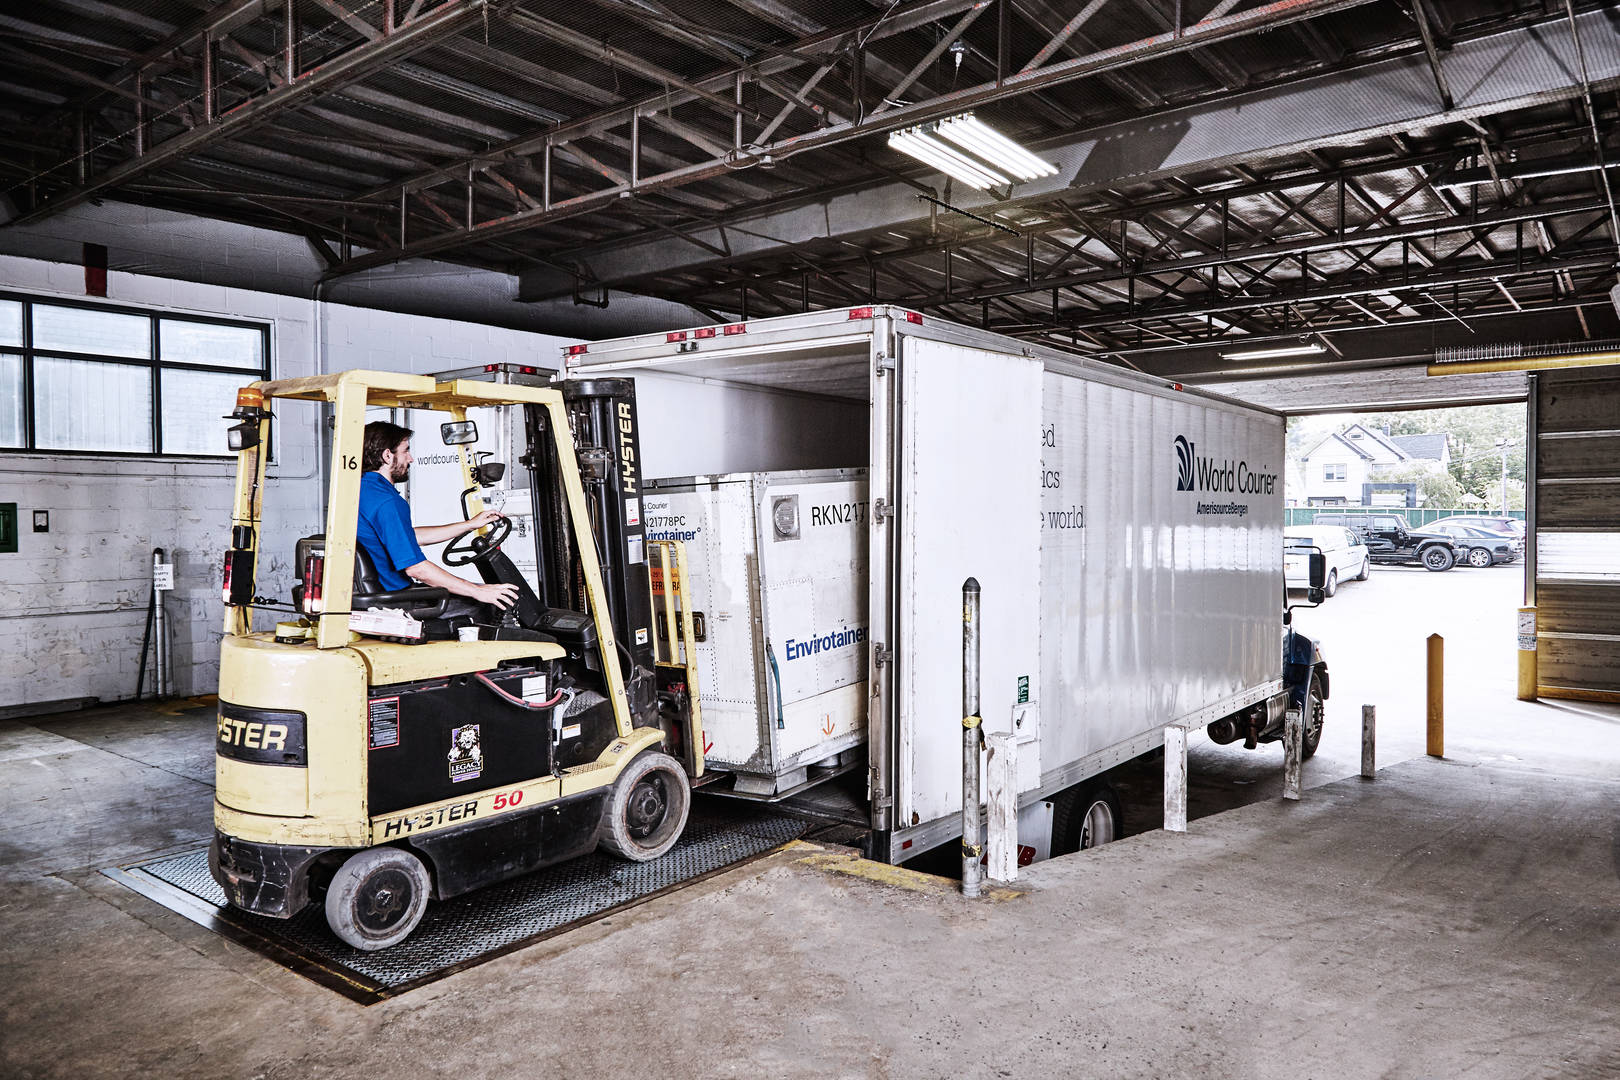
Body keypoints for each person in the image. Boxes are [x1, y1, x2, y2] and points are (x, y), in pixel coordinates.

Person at [357, 421, 519, 615]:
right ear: (387, 455)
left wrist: (469, 525)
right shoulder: (387, 501)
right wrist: (477, 591)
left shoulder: (362, 490)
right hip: (396, 600)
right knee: (492, 605)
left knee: (479, 593)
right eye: (405, 451)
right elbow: (416, 569)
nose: (411, 459)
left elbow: (406, 537)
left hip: (377, 594)